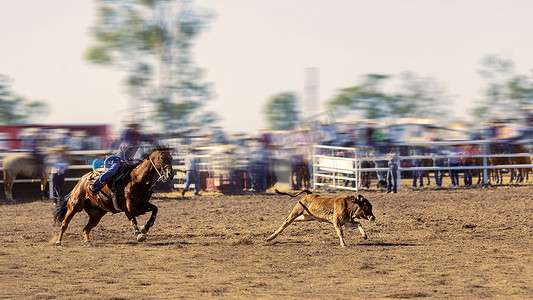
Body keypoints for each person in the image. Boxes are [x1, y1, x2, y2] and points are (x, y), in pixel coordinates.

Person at [89, 120, 157, 194]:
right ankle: (96, 183)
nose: (136, 130)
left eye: (137, 128)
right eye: (134, 128)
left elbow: (149, 139)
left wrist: (156, 142)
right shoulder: (127, 133)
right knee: (113, 169)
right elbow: (122, 134)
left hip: (130, 160)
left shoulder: (138, 136)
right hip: (119, 158)